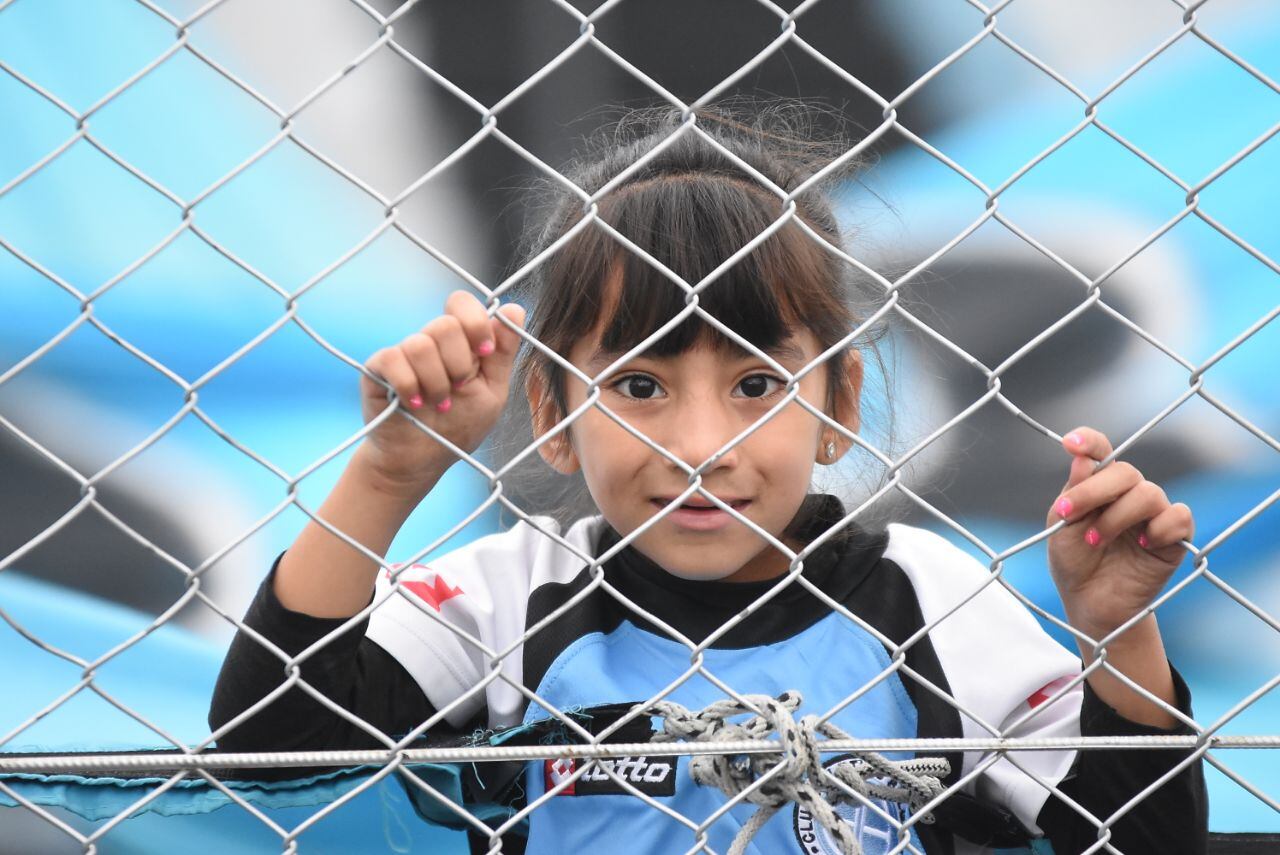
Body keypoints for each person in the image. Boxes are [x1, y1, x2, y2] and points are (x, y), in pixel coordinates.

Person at [209, 103, 1208, 854]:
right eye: (639, 384)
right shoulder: (507, 595)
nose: (697, 441)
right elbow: (272, 742)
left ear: (840, 405)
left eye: (754, 384)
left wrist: (1118, 635)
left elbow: (1136, 842)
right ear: (552, 416)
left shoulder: (930, 595)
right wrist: (386, 479)